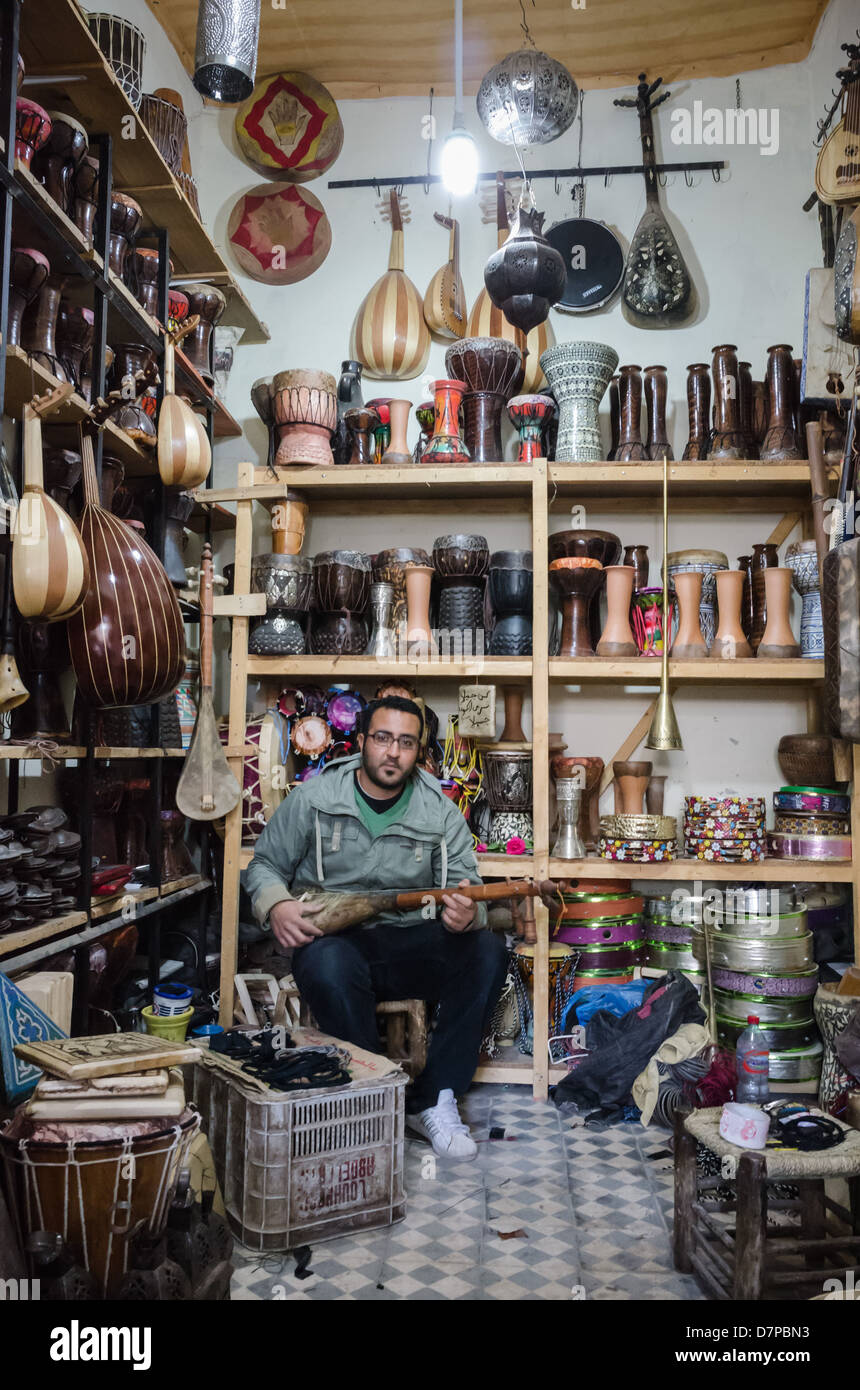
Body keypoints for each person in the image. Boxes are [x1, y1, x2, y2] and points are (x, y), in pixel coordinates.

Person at [243, 696, 508, 1159]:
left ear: (418, 751)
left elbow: (468, 885)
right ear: (362, 741)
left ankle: (434, 1100)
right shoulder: (315, 799)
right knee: (326, 965)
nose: (393, 752)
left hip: (410, 942)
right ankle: (376, 1093)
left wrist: (469, 914)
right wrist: (278, 906)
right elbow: (264, 865)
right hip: (338, 944)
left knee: (486, 950)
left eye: (406, 743)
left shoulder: (439, 811)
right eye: (383, 739)